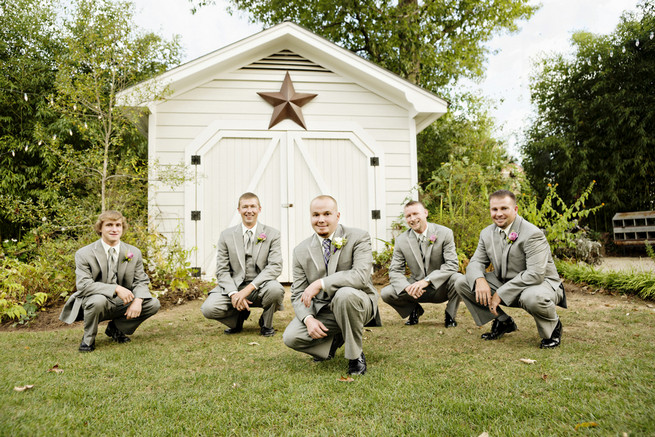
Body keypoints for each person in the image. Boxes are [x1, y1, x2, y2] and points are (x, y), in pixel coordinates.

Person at [454, 190, 567, 348]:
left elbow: (535, 274)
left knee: (531, 297)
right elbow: (476, 262)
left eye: (504, 208)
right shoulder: (486, 233)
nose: (498, 214)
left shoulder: (533, 234)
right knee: (462, 282)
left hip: (540, 284)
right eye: (494, 209)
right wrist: (479, 280)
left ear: (515, 209)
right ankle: (502, 322)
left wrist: (500, 293)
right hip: (505, 281)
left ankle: (553, 328)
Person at [283, 195, 380, 375]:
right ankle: (332, 342)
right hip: (325, 310)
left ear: (337, 216)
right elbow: (297, 294)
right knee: (291, 337)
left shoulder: (359, 237)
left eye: (327, 214)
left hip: (358, 303)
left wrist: (321, 283)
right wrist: (308, 319)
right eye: (316, 215)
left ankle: (355, 355)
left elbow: (360, 276)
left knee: (345, 295)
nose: (321, 219)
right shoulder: (300, 251)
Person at [60, 210, 160, 352]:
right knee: (97, 301)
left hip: (121, 302)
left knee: (152, 303)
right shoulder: (84, 253)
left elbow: (141, 280)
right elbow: (83, 285)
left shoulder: (133, 252)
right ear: (100, 228)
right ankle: (88, 340)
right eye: (109, 225)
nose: (114, 229)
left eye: (118, 225)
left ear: (122, 228)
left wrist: (138, 300)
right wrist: (116, 289)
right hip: (95, 301)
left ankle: (116, 328)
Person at [201, 193, 284, 336]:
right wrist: (233, 293)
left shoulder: (272, 234)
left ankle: (266, 322)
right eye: (245, 207)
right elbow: (222, 270)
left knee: (276, 290)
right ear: (239, 210)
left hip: (262, 287)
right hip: (235, 285)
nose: (249, 210)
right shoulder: (226, 235)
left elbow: (275, 266)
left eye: (253, 206)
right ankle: (237, 319)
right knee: (208, 308)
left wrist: (249, 289)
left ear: (259, 209)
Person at [381, 200, 462, 327]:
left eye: (415, 214)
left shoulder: (445, 233)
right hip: (415, 291)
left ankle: (450, 315)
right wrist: (407, 287)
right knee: (386, 293)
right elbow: (395, 270)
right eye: (408, 216)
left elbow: (452, 264)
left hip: (440, 287)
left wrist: (427, 280)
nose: (412, 219)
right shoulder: (401, 240)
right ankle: (414, 309)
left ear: (425, 213)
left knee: (459, 279)